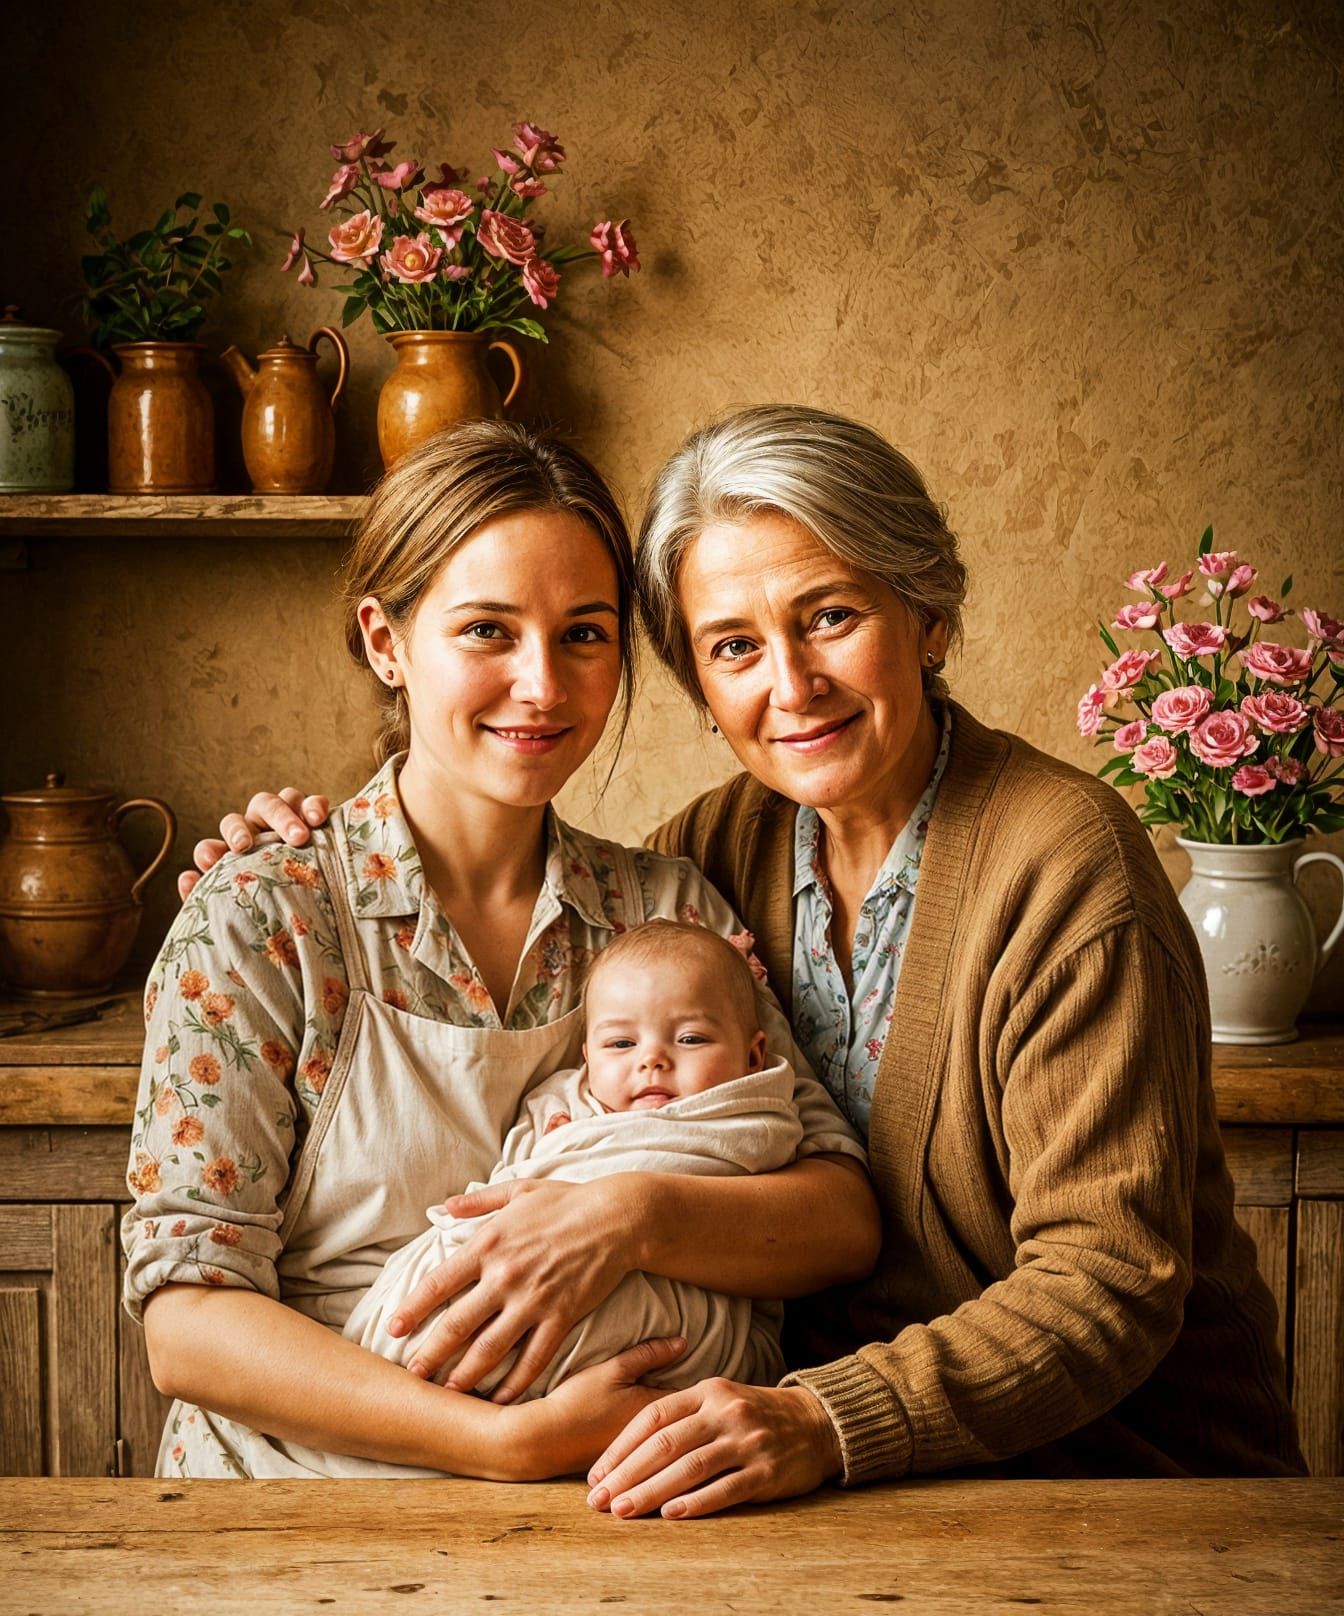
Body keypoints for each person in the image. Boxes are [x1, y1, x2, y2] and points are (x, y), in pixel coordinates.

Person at [192, 404, 1305, 1513]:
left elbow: (1108, 1281)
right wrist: (286, 854)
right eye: (733, 646)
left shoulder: (1067, 870)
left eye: (829, 617)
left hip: (1113, 1480)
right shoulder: (710, 858)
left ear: (929, 616)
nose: (791, 684)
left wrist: (823, 1414)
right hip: (807, 1483)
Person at [126, 421, 876, 1480]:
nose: (543, 685)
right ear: (388, 643)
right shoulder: (266, 920)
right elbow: (188, 1321)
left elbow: (839, 1218)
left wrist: (625, 1217)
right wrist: (498, 1442)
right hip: (290, 1514)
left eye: (584, 633)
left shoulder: (659, 906)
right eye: (488, 630)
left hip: (606, 1510)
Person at [343, 918, 799, 1433]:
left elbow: (784, 1189)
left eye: (691, 1038)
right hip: (522, 1253)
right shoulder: (563, 1101)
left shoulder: (747, 1117)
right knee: (448, 1266)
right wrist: (559, 1145)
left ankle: (502, 1380)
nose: (651, 1059)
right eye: (620, 1045)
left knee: (682, 1334)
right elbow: (514, 1173)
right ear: (586, 1058)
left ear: (753, 1055)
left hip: (673, 1291)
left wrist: (610, 1191)